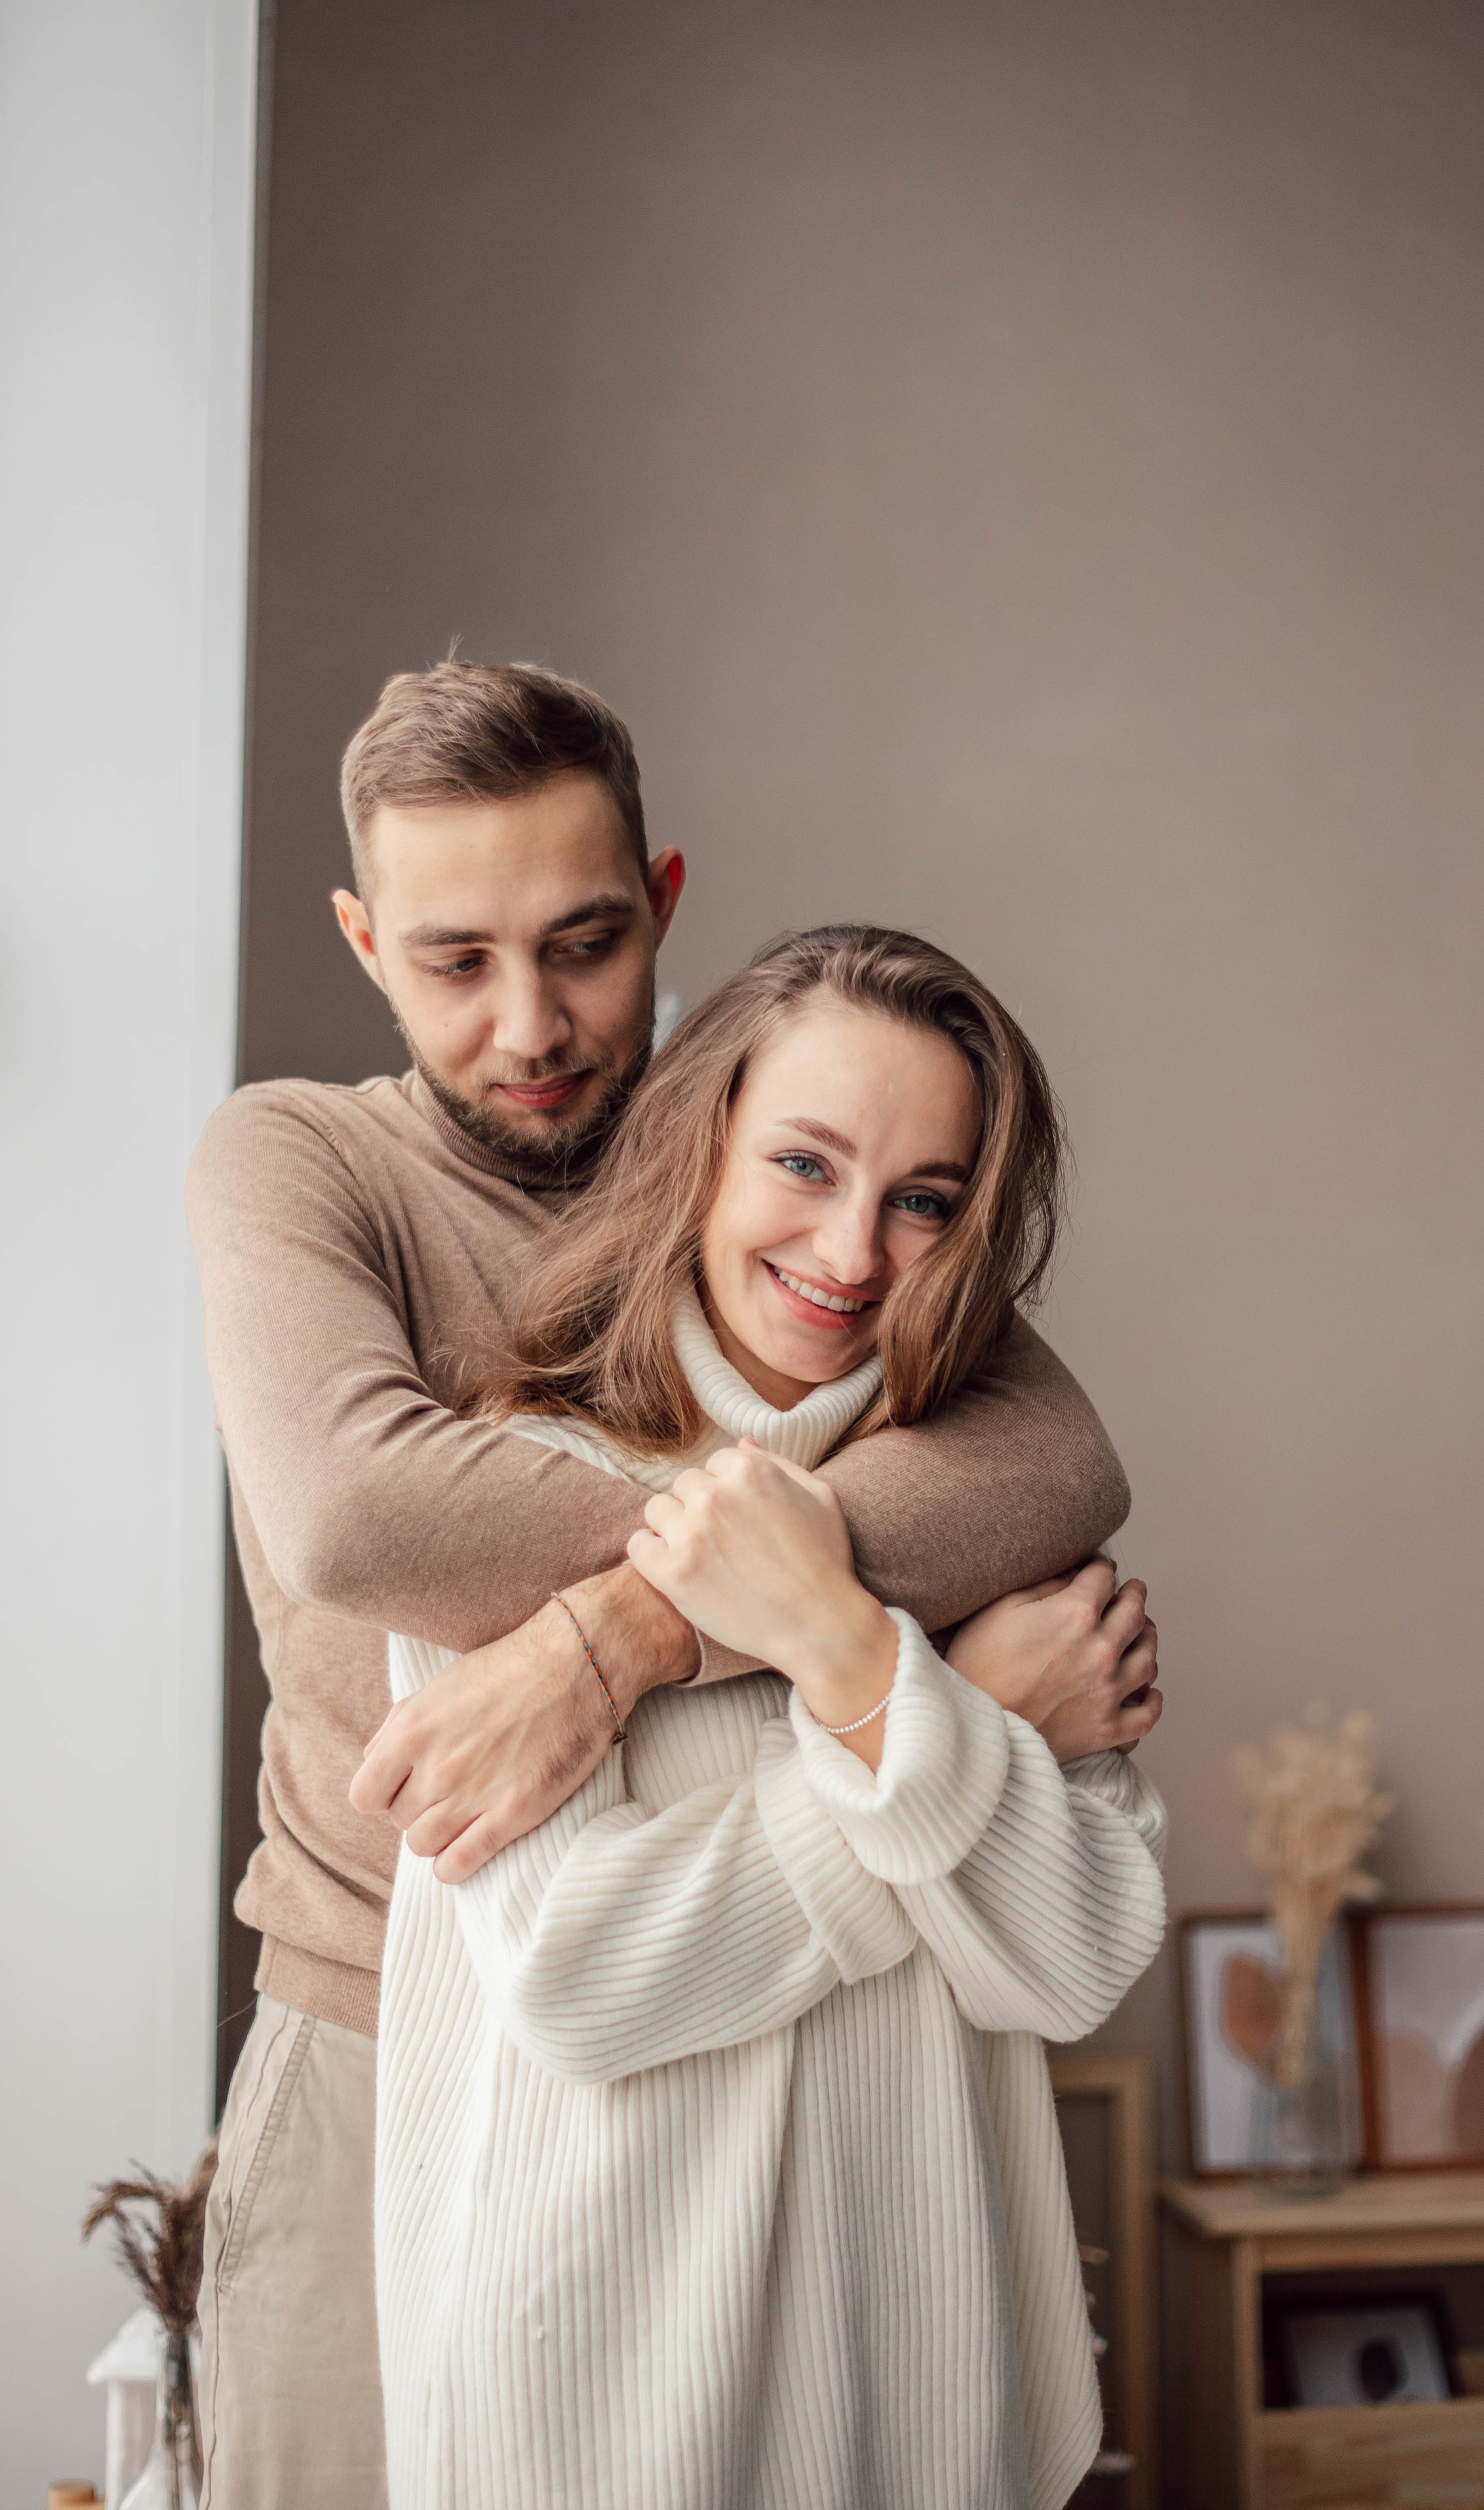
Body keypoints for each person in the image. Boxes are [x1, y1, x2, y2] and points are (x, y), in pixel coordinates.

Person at [187, 660, 1160, 2510]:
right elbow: (356, 1515)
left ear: (667, 904)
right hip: (375, 1984)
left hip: (783, 2053)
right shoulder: (305, 1159)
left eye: (588, 941)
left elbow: (1047, 1466)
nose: (534, 1021)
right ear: (362, 937)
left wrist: (615, 1635)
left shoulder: (796, 1138)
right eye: (455, 958)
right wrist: (894, 1670)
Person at [377, 922, 1168, 2510]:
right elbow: (584, 1977)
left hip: (929, 2393)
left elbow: (1069, 1961)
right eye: (803, 1163)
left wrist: (851, 1660)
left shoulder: (989, 1517)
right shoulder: (506, 1492)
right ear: (701, 1145)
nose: (854, 1249)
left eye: (923, 1199)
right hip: (607, 2399)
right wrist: (923, 1720)